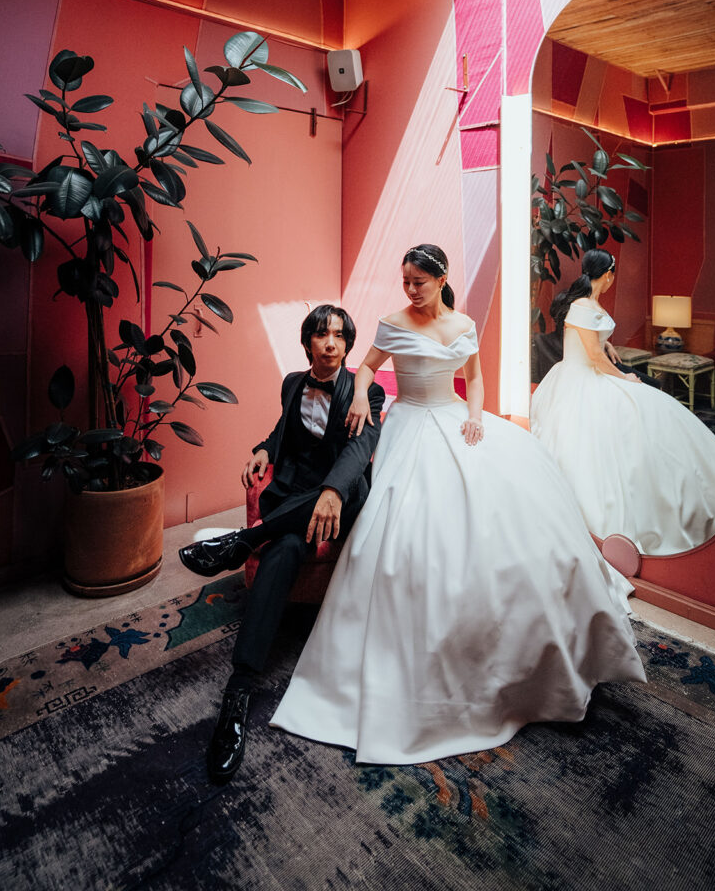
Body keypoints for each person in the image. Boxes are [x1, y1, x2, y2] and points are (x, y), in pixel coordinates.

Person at [270, 244, 646, 766]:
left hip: (453, 418)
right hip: (407, 424)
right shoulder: (391, 322)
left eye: (419, 281)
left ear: (441, 278)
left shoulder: (464, 324)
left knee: (508, 517)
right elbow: (367, 368)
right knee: (403, 536)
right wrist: (360, 394)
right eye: (405, 280)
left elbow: (475, 379)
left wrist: (475, 415)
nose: (410, 289)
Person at [179, 305, 385, 782]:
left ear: (348, 344)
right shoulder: (293, 382)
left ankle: (241, 542)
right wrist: (263, 449)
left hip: (338, 497)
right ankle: (239, 691)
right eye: (322, 334)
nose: (331, 343)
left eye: (339, 336)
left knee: (349, 485)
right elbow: (282, 432)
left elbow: (360, 448)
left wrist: (333, 491)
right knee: (285, 550)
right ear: (307, 342)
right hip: (294, 498)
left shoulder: (365, 390)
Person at [531, 249, 715, 556]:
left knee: (651, 412)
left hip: (591, 371)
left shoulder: (588, 304)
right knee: (627, 422)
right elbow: (591, 355)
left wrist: (607, 345)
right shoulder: (583, 305)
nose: (614, 279)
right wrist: (621, 376)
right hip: (583, 378)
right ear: (607, 274)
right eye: (614, 273)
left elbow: (592, 341)